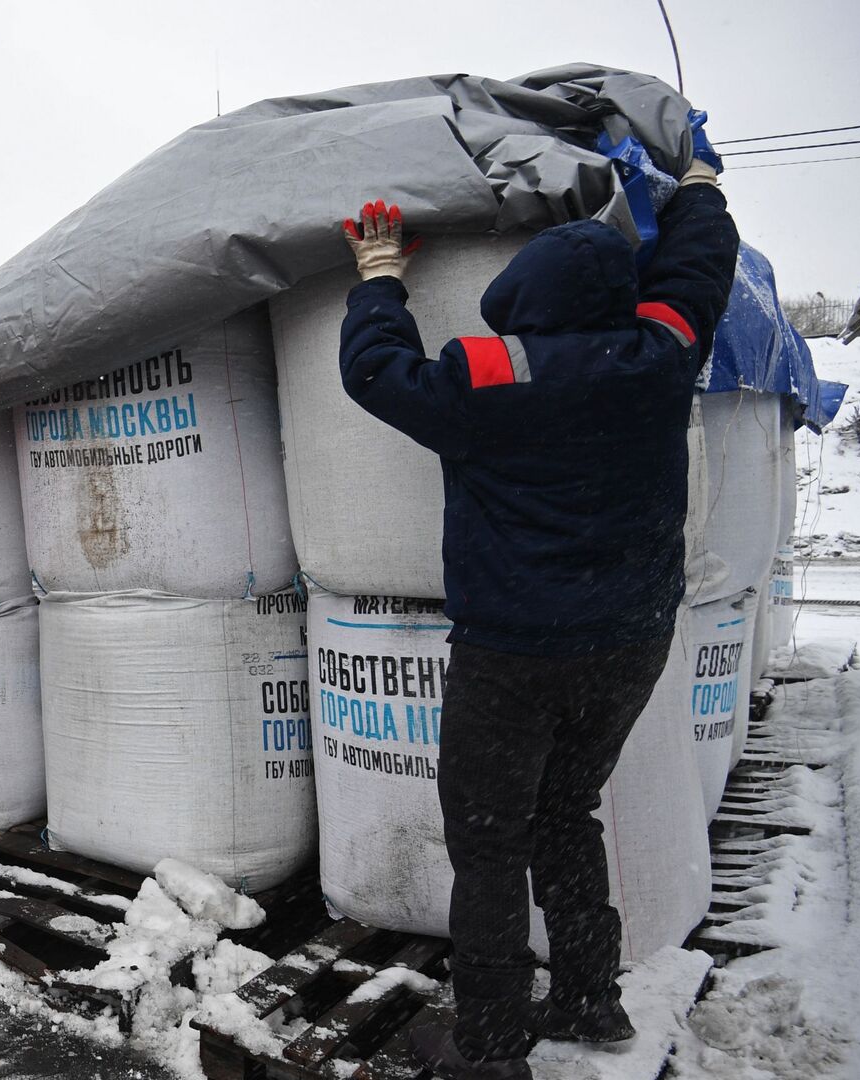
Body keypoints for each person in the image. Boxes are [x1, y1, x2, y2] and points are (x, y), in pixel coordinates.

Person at [336, 120, 738, 1079]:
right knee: (568, 814)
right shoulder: (660, 355)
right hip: (628, 642)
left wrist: (380, 276)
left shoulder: (488, 376)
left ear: (521, 295)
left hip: (513, 653)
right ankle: (591, 1002)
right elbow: (697, 276)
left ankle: (488, 1045)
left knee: (487, 843)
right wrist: (699, 192)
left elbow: (375, 372)